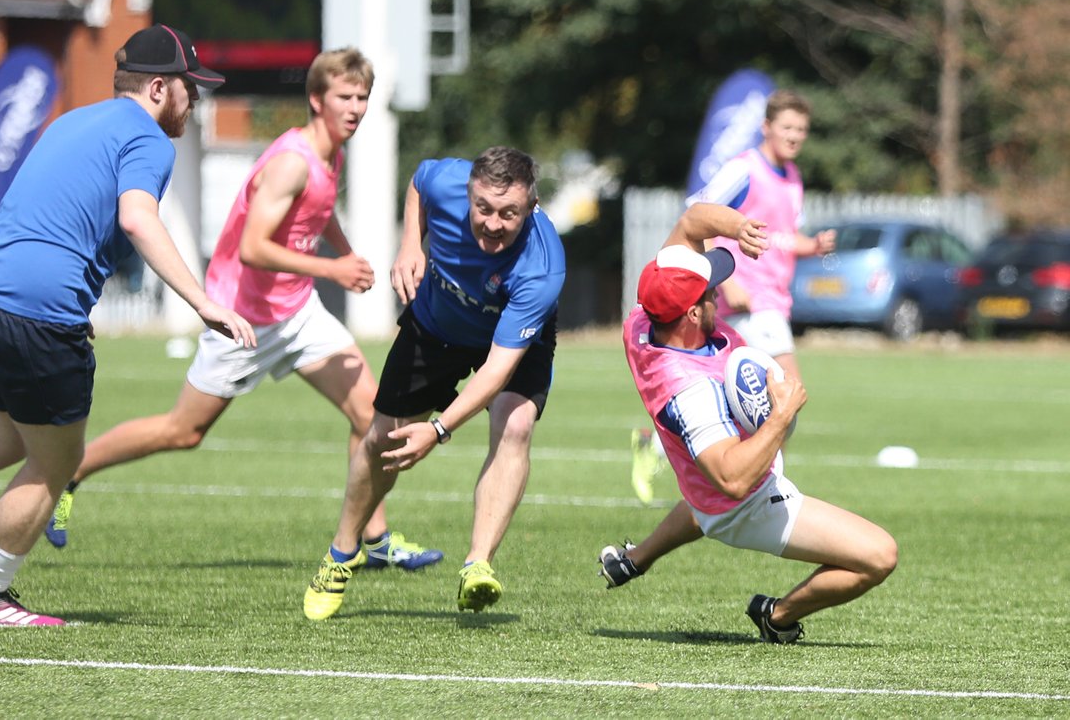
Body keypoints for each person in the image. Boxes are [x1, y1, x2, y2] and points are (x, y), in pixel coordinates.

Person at [0, 24, 257, 625]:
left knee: (1, 440)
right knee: (56, 462)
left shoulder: (72, 120)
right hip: (37, 317)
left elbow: (49, 215)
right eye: (190, 88)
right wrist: (203, 301)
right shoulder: (151, 142)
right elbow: (136, 218)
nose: (195, 100)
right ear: (159, 88)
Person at [41, 48, 442, 571]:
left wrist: (342, 250)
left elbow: (317, 213)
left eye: (363, 97)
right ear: (317, 100)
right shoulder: (292, 162)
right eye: (345, 96)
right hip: (243, 318)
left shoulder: (330, 154)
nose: (356, 107)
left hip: (297, 312)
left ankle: (377, 539)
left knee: (371, 414)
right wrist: (334, 271)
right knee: (183, 431)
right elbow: (254, 247)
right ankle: (69, 473)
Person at [600, 202, 896, 643]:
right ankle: (776, 615)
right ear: (693, 314)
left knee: (698, 499)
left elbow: (691, 220)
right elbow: (732, 480)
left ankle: (635, 558)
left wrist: (738, 228)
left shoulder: (647, 315)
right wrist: (780, 416)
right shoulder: (691, 392)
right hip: (745, 508)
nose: (720, 292)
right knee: (878, 555)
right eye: (711, 291)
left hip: (705, 492)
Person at [303, 146, 565, 620]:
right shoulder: (446, 183)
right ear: (468, 194)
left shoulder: (542, 268)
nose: (492, 223)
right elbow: (419, 181)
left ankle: (477, 564)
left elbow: (497, 370)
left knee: (515, 425)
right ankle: (342, 554)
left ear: (532, 206)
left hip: (505, 343)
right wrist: (409, 243)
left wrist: (440, 429)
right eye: (483, 207)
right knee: (383, 440)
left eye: (509, 213)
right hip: (436, 325)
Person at [630, 89, 835, 505]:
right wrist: (725, 283)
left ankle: (655, 444)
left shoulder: (792, 176)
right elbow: (699, 212)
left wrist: (810, 246)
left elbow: (776, 236)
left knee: (742, 396)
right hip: (748, 301)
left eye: (801, 130)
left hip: (774, 301)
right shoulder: (744, 169)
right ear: (766, 127)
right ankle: (771, 489)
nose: (795, 136)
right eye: (787, 128)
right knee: (786, 391)